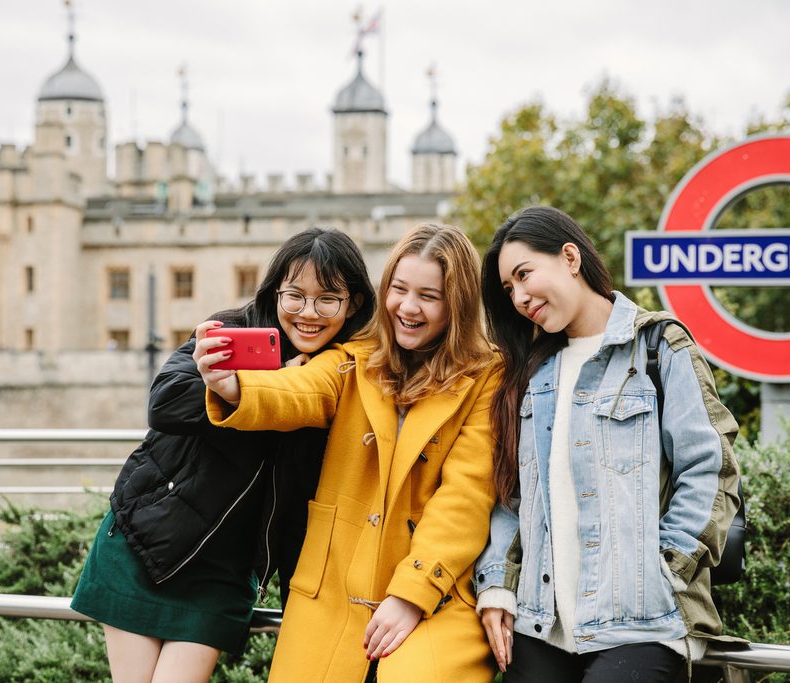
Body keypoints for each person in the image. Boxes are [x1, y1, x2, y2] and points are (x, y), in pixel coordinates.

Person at [71, 227, 376, 683]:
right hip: (146, 542)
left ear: (353, 304)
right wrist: (259, 381)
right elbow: (165, 402)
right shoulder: (233, 331)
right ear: (275, 292)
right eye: (294, 296)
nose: (308, 313)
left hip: (223, 573)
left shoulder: (343, 374)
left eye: (327, 299)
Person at [199, 223, 500, 682]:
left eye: (429, 296)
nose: (408, 307)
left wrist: (413, 593)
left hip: (436, 592)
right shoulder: (355, 356)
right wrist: (234, 387)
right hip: (334, 586)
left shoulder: (487, 375)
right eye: (399, 289)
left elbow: (467, 495)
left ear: (457, 304)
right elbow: (302, 389)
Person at [474, 206, 741, 682]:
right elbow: (513, 497)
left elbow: (709, 469)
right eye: (509, 289)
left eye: (524, 274)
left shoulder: (659, 346)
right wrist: (497, 585)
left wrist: (667, 570)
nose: (519, 297)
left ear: (570, 257)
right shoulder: (530, 372)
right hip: (542, 625)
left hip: (644, 623)